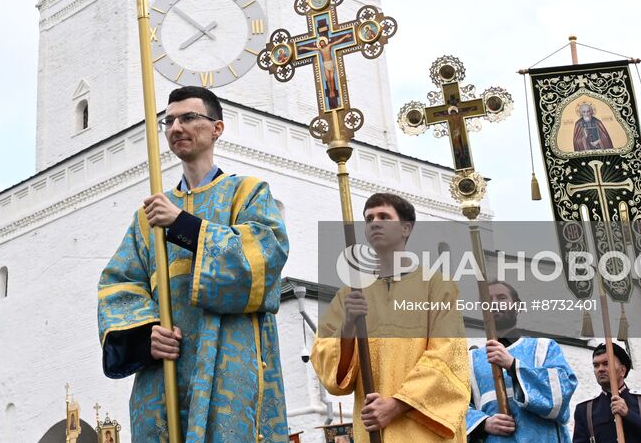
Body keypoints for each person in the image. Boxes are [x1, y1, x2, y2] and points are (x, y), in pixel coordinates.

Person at [98, 85, 289, 443]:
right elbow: (119, 284)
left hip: (228, 356)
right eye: (168, 121)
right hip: (165, 368)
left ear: (217, 128)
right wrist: (146, 337)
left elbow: (266, 256)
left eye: (189, 118)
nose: (176, 128)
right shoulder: (147, 216)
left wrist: (182, 225)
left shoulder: (247, 193)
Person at [313, 192, 471, 443]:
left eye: (384, 216)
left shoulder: (438, 286)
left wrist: (396, 405)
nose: (374, 222)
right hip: (371, 427)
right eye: (369, 218)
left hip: (421, 430)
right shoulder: (350, 292)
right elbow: (327, 363)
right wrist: (348, 326)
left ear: (405, 228)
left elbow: (447, 356)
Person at [465, 281, 577, 442]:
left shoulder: (544, 348)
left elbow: (562, 392)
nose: (495, 303)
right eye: (488, 300)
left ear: (517, 306)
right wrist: (483, 423)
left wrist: (513, 366)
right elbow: (456, 406)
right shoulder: (471, 361)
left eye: (502, 298)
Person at [570, 343, 641, 443]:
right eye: (596, 365)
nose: (600, 369)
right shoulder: (585, 409)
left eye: (606, 364)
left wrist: (629, 414)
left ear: (622, 370)